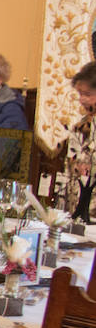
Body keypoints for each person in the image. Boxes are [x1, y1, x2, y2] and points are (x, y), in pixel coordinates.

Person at [61, 61, 96, 222]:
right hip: (76, 209)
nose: (82, 100)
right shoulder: (79, 127)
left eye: (87, 94)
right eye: (80, 94)